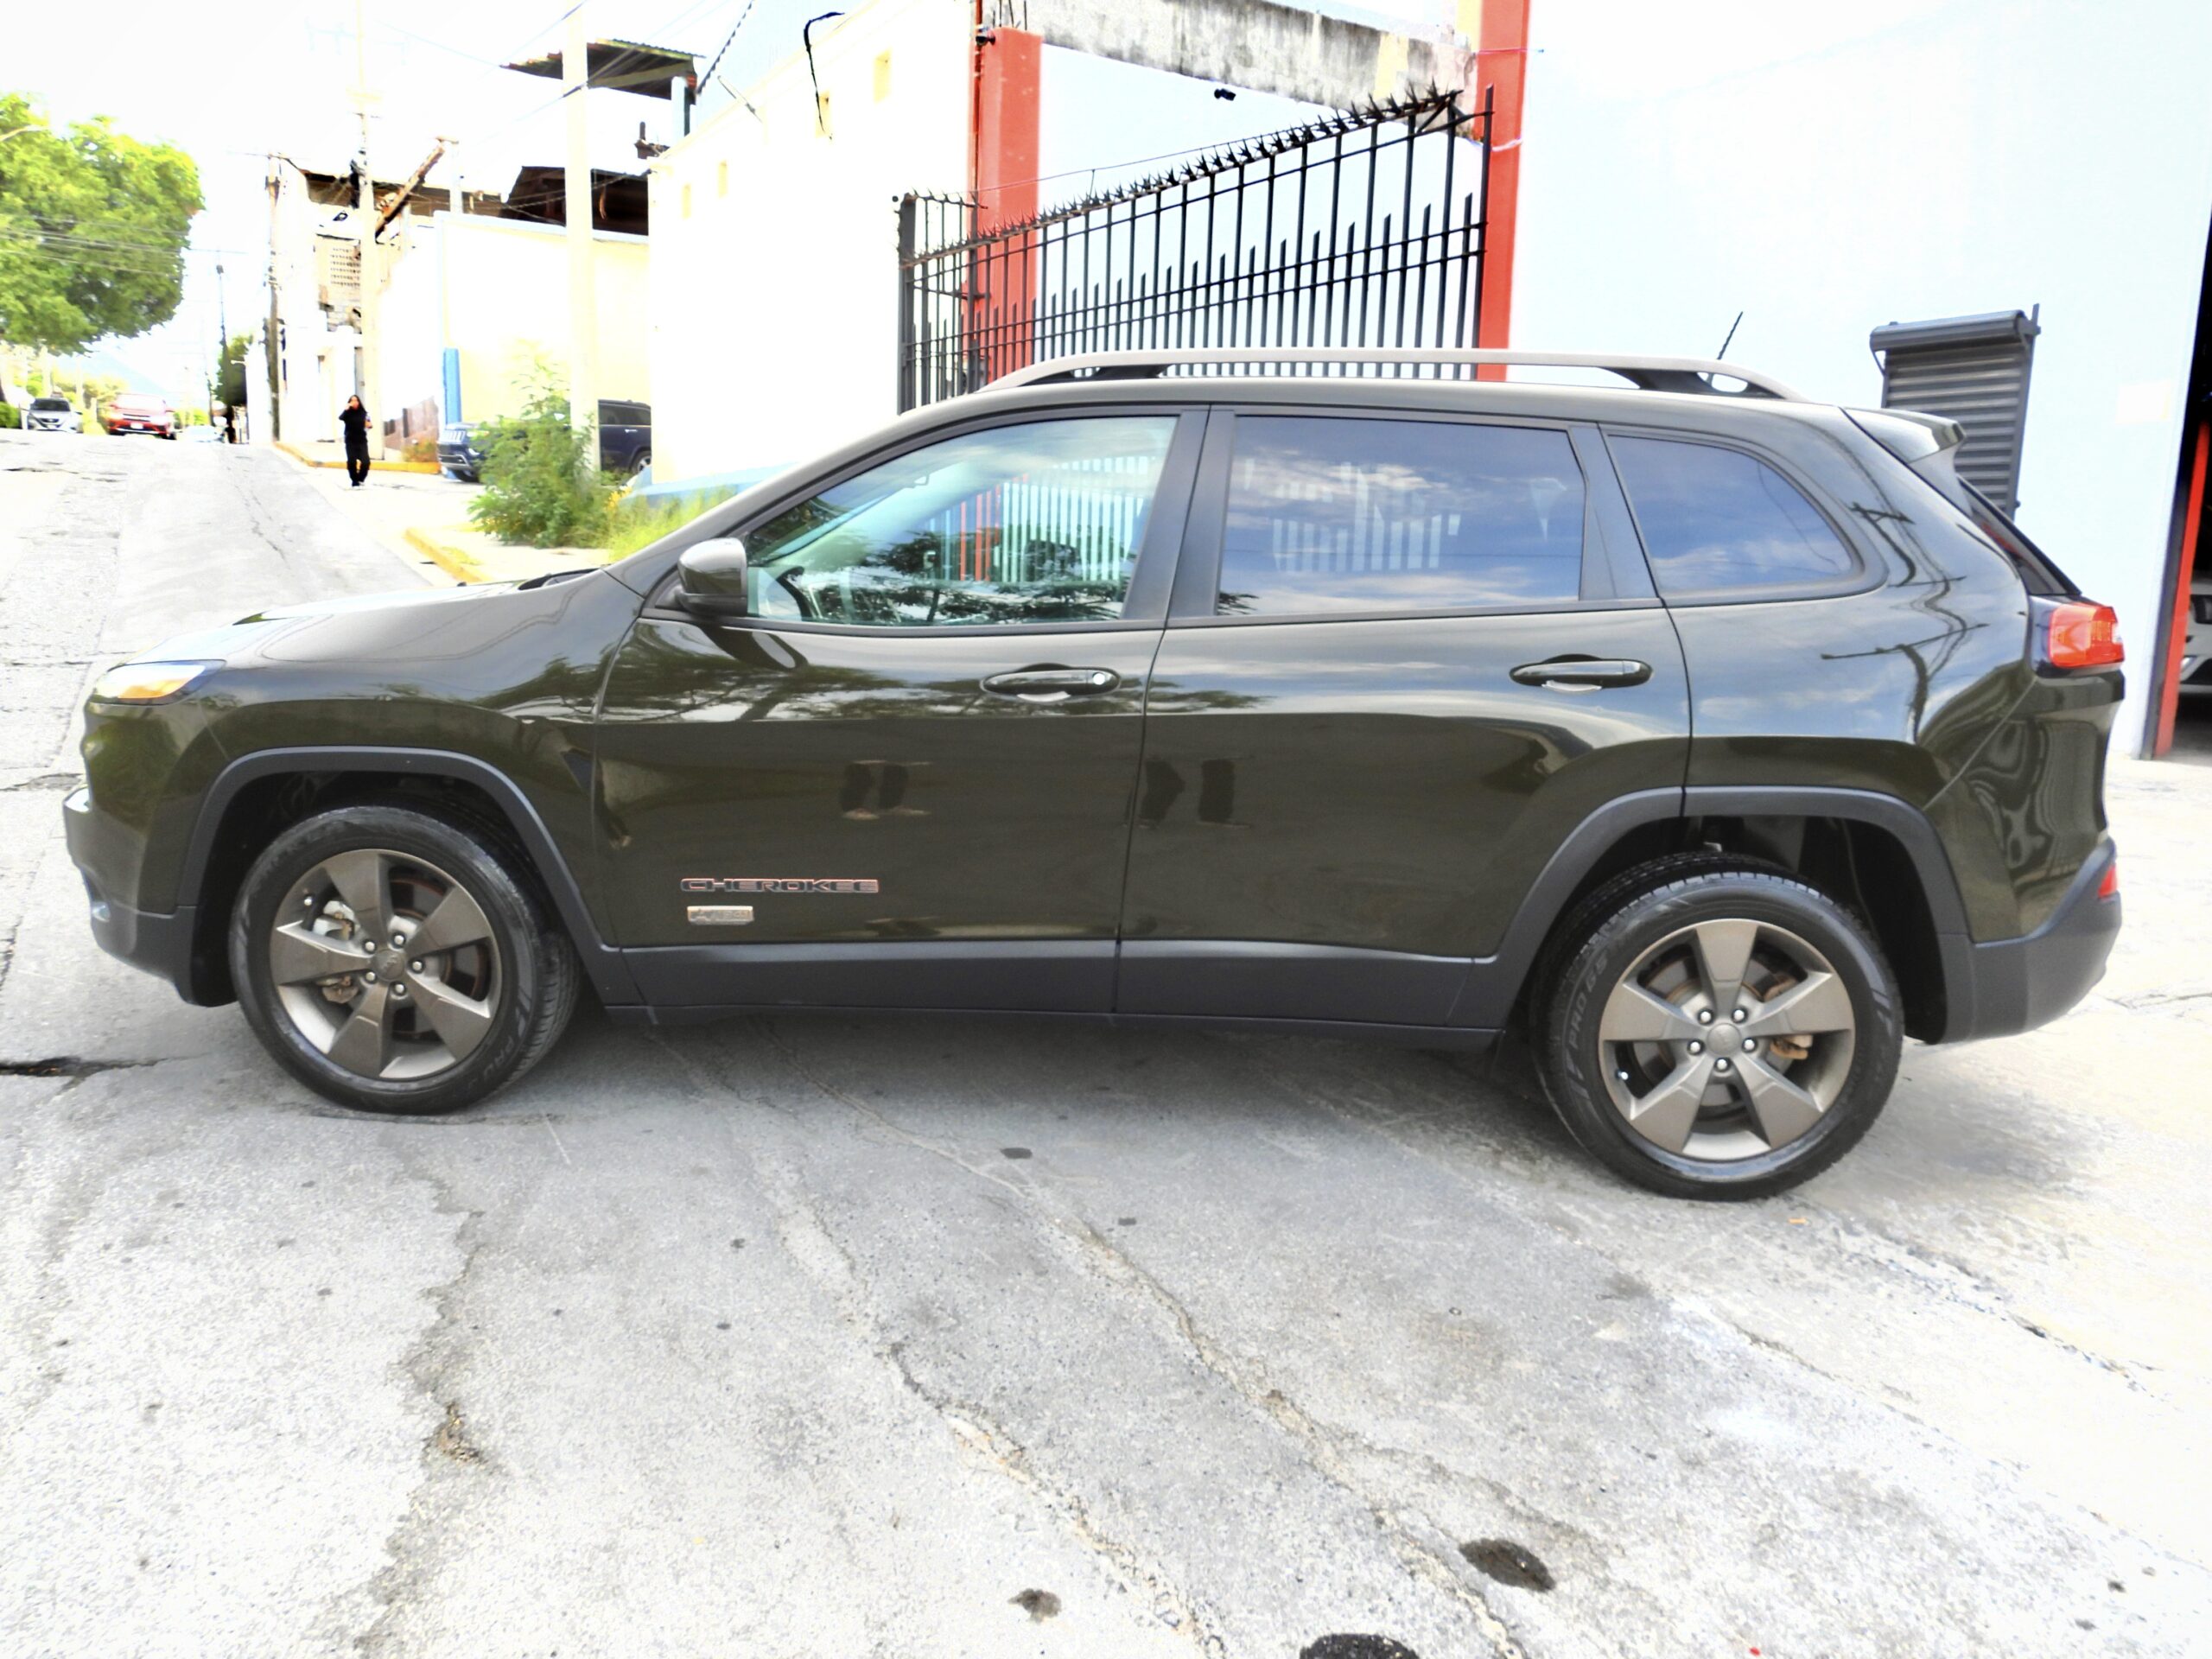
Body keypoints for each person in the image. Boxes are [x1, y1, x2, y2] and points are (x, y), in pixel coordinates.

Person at [339, 395, 371, 486]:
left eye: (356, 400)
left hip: (362, 440)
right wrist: (346, 409)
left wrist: (369, 425)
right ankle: (354, 480)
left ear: (359, 402)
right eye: (352, 401)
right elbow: (341, 418)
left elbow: (369, 424)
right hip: (350, 441)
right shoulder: (347, 414)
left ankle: (361, 478)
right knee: (351, 462)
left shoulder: (364, 413)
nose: (354, 402)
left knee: (366, 462)